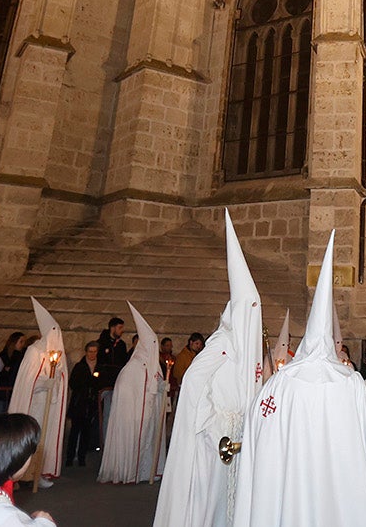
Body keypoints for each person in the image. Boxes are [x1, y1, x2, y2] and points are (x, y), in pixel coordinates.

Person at [232, 231, 366, 527]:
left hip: (292, 478)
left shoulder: (284, 381)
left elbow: (260, 420)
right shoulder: (350, 381)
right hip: (342, 481)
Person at [155, 210, 264, 527]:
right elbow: (192, 381)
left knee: (229, 501)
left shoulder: (246, 348)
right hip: (216, 435)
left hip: (238, 432)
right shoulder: (222, 342)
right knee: (208, 498)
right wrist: (213, 420)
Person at [99, 302, 169, 484]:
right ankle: (131, 471)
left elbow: (156, 383)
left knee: (148, 441)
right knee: (136, 441)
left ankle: (146, 471)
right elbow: (132, 390)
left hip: (147, 412)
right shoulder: (133, 367)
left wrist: (162, 387)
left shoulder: (150, 365)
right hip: (133, 415)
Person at [8, 298, 70, 487]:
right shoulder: (34, 351)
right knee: (31, 436)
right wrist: (45, 382)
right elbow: (28, 381)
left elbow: (61, 375)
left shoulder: (56, 353)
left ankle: (38, 473)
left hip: (48, 404)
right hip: (34, 403)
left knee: (44, 436)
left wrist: (56, 381)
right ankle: (22, 474)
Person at [65, 342, 104, 467]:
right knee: (75, 431)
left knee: (86, 432)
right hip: (79, 403)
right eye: (90, 351)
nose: (92, 354)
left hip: (91, 403)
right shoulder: (79, 366)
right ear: (86, 352)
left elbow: (100, 383)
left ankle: (82, 457)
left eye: (95, 351)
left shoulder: (100, 366)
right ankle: (70, 458)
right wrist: (88, 381)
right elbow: (73, 383)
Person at [170, 332, 205, 397]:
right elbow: (177, 373)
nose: (199, 346)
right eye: (197, 343)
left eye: (200, 345)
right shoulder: (182, 356)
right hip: (184, 388)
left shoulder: (197, 356)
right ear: (191, 342)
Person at [97, 317, 128, 387]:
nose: (122, 330)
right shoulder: (101, 343)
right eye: (120, 328)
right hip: (104, 381)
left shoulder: (121, 345)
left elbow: (124, 361)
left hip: (118, 380)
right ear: (112, 328)